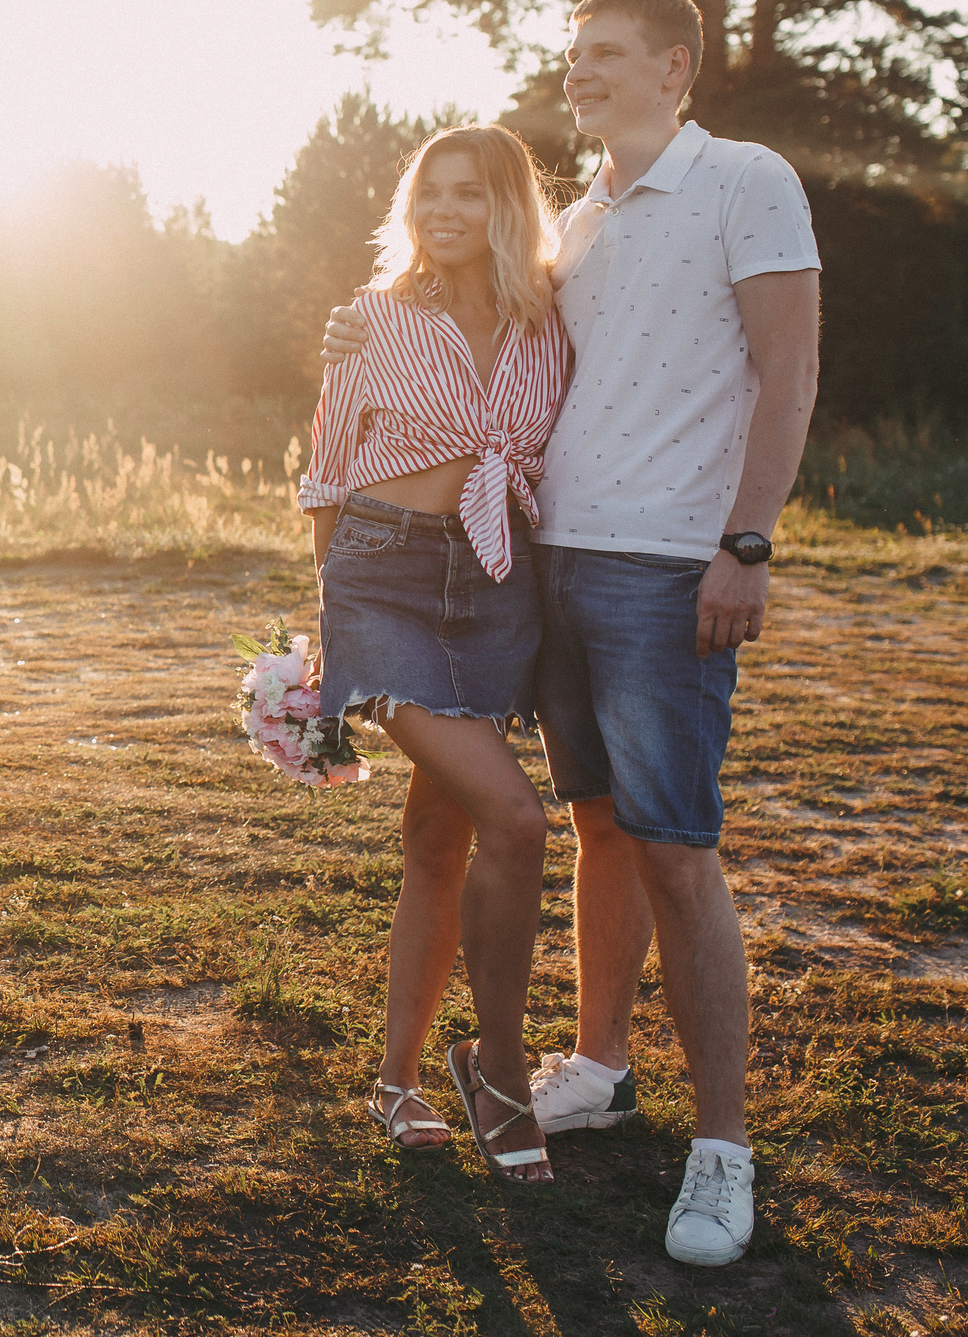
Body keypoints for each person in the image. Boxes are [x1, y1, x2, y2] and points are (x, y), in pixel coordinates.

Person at [323, 0, 821, 1264]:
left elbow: (789, 368)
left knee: (666, 842)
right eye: (571, 55)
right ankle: (584, 1068)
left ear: (675, 67)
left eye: (606, 54)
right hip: (532, 569)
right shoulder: (578, 232)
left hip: (662, 569)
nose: (580, 71)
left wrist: (745, 544)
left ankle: (720, 1153)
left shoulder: (743, 180)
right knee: (576, 822)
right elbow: (381, 410)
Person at [298, 123, 569, 1185]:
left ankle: (395, 1078)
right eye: (426, 196)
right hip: (383, 576)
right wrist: (331, 633)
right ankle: (496, 1068)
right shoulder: (369, 319)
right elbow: (324, 473)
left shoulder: (551, 324)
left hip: (498, 586)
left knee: (435, 831)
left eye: (466, 193)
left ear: (508, 204)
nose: (442, 212)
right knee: (513, 816)